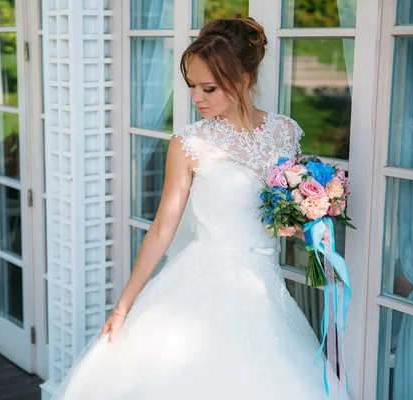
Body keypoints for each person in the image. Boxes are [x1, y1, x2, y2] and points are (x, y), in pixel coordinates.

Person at [52, 16, 346, 400]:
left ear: (243, 79)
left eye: (208, 87)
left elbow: (274, 213)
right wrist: (124, 305)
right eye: (192, 86)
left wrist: (297, 219)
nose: (196, 98)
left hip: (263, 288)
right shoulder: (190, 143)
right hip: (202, 283)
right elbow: (162, 230)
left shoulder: (285, 132)